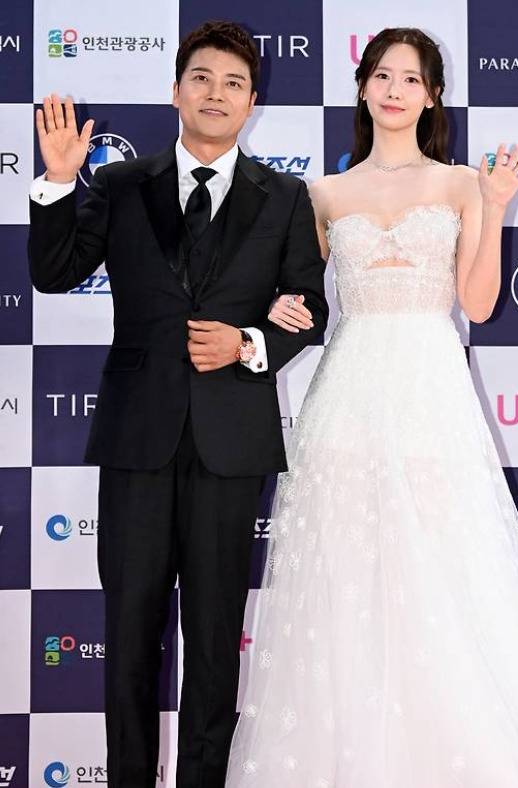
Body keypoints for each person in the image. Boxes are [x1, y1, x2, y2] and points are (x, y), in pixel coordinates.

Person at [225, 27, 518, 787]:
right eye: (382, 76)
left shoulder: (460, 184)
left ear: (431, 96)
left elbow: (478, 304)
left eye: (411, 79)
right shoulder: (322, 195)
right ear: (363, 87)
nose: (395, 90)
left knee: (443, 574)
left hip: (430, 395)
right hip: (346, 400)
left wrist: (495, 205)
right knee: (346, 580)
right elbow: (297, 298)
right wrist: (273, 311)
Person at [27, 20, 328, 788]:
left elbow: (309, 308)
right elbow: (55, 272)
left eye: (233, 83)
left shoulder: (285, 197)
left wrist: (248, 343)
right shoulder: (121, 184)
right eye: (202, 79)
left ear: (252, 102)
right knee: (130, 635)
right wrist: (58, 181)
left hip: (232, 444)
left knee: (215, 639)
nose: (216, 94)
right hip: (137, 440)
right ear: (175, 92)